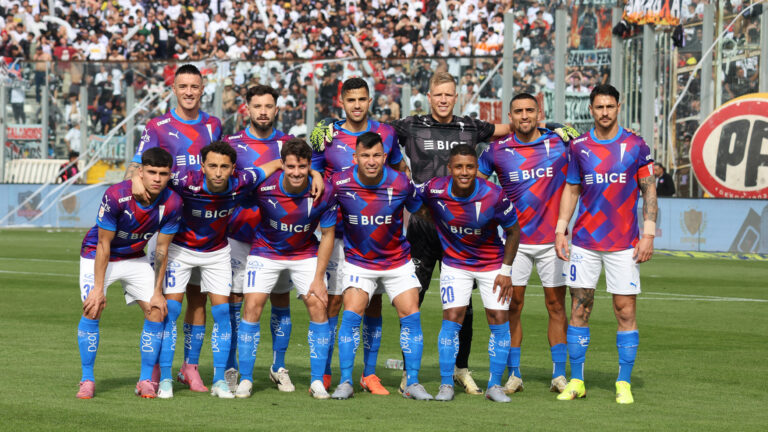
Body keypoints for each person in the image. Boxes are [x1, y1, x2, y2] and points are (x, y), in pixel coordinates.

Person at [144, 141, 315, 399]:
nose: (218, 172)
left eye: (224, 167)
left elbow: (278, 164)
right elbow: (153, 176)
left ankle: (219, 381)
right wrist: (137, 181)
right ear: (202, 166)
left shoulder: (241, 181)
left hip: (217, 252)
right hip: (181, 249)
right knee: (173, 310)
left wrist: (315, 173)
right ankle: (166, 378)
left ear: (233, 168)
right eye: (212, 166)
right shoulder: (184, 180)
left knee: (223, 313)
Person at [555, 84, 657, 404]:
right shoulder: (579, 147)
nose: (604, 112)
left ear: (618, 107)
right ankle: (577, 380)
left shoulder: (636, 145)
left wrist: (649, 234)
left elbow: (649, 189)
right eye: (599, 107)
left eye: (610, 106)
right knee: (579, 308)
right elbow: (571, 189)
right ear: (591, 110)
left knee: (625, 311)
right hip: (585, 243)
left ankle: (623, 382)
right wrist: (561, 229)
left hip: (624, 243)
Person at [126, 64, 222, 394]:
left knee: (198, 300)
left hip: (205, 224)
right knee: (165, 302)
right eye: (183, 86)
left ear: (202, 89)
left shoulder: (213, 125)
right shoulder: (158, 126)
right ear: (174, 89)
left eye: (195, 86)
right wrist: (134, 180)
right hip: (169, 224)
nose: (189, 92)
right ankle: (154, 369)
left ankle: (189, 368)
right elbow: (137, 165)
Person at [310, 77, 406, 395]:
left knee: (373, 303)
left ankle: (369, 373)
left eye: (362, 99)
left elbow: (398, 170)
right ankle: (326, 371)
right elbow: (314, 171)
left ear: (369, 101)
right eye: (350, 100)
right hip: (337, 231)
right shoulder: (328, 134)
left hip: (375, 232)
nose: (356, 105)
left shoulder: (386, 133)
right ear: (342, 102)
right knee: (335, 302)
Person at [412, 144, 521, 403]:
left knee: (498, 319)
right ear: (449, 168)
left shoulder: (494, 194)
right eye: (459, 167)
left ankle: (494, 386)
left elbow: (514, 231)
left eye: (470, 167)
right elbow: (411, 198)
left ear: (476, 169)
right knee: (451, 319)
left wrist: (506, 271)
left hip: (492, 264)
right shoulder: (434, 188)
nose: (464, 172)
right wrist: (436, 219)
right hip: (455, 263)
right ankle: (446, 385)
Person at [477, 93, 570, 394]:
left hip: (552, 240)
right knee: (513, 306)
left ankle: (559, 375)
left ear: (539, 113)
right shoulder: (496, 151)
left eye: (530, 110)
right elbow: (476, 185)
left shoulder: (559, 143)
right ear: (510, 116)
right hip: (513, 241)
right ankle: (514, 375)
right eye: (518, 111)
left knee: (556, 305)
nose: (525, 115)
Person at [329, 132, 432, 401]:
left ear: (385, 157)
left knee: (411, 315)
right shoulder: (339, 183)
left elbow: (422, 210)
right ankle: (345, 381)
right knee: (351, 315)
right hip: (358, 262)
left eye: (376, 155)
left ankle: (413, 382)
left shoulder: (400, 182)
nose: (371, 161)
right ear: (355, 158)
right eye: (365, 156)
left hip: (396, 260)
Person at [76, 147, 183, 399]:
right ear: (141, 172)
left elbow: (162, 249)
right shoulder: (116, 195)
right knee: (93, 307)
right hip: (97, 254)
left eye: (163, 174)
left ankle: (145, 380)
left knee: (157, 309)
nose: (157, 178)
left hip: (134, 256)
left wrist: (157, 292)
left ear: (169, 175)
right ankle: (87, 379)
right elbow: (103, 244)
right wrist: (98, 289)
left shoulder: (173, 202)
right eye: (152, 172)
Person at [235, 138, 337, 400]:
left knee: (318, 305)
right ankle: (246, 378)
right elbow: (237, 185)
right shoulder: (264, 185)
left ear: (309, 165)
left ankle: (317, 381)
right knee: (252, 306)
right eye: (290, 166)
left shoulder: (323, 191)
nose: (296, 172)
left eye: (302, 167)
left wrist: (319, 278)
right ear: (282, 164)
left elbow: (328, 235)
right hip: (266, 250)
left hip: (304, 251)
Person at [223, 85, 296, 393]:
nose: (263, 111)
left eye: (268, 106)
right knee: (236, 301)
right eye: (257, 106)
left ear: (276, 109)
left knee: (280, 299)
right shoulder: (231, 144)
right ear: (247, 109)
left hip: (277, 238)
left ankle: (278, 367)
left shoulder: (289, 144)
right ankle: (233, 367)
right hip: (239, 235)